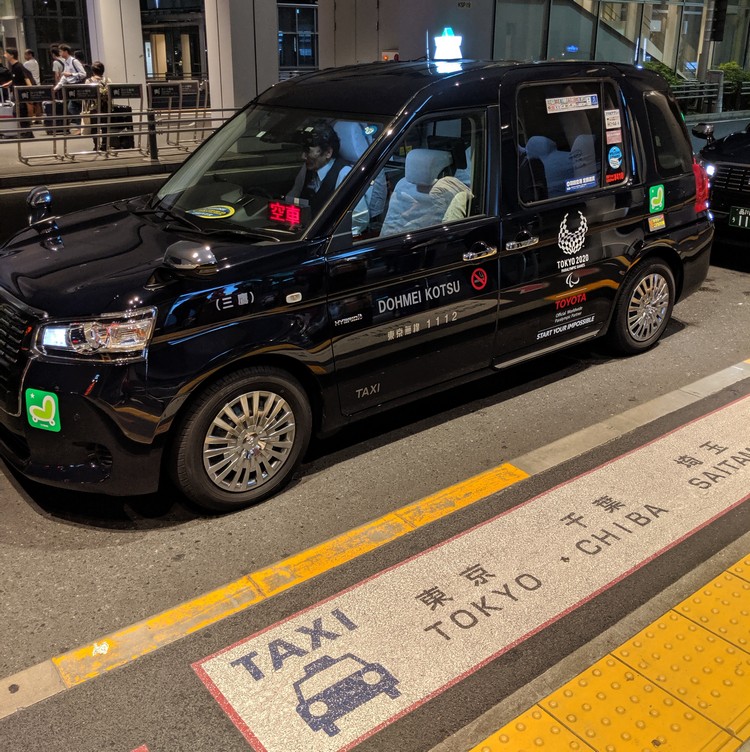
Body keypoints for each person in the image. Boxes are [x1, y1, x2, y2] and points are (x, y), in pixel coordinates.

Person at [285, 121, 368, 233]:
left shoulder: (343, 173)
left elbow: (359, 219)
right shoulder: (307, 169)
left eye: (308, 151)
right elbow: (293, 197)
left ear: (328, 152)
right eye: (303, 151)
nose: (303, 156)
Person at [54, 43, 87, 132]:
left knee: (72, 107)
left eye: (61, 51)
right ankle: (82, 127)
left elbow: (83, 74)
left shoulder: (74, 61)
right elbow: (64, 77)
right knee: (75, 107)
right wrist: (56, 88)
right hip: (72, 88)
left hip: (78, 86)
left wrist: (71, 74)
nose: (60, 53)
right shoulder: (66, 62)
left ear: (66, 51)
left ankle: (81, 127)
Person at [3, 48, 34, 138]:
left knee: (21, 112)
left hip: (21, 94)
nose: (5, 55)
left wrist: (30, 90)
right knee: (17, 112)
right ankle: (24, 132)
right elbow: (15, 79)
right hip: (17, 93)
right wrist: (8, 84)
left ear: (12, 55)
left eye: (6, 53)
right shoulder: (14, 67)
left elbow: (26, 78)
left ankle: (27, 133)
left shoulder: (18, 66)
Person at [84, 60, 111, 151]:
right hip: (105, 106)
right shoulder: (108, 80)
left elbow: (86, 95)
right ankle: (105, 145)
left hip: (94, 107)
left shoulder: (89, 81)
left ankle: (96, 145)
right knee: (105, 126)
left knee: (94, 127)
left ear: (93, 71)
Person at [23, 50, 41, 121]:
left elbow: (24, 74)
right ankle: (38, 118)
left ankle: (30, 119)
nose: (24, 56)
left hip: (31, 84)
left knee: (29, 102)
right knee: (37, 103)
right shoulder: (35, 62)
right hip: (37, 83)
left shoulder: (26, 64)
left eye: (25, 55)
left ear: (30, 55)